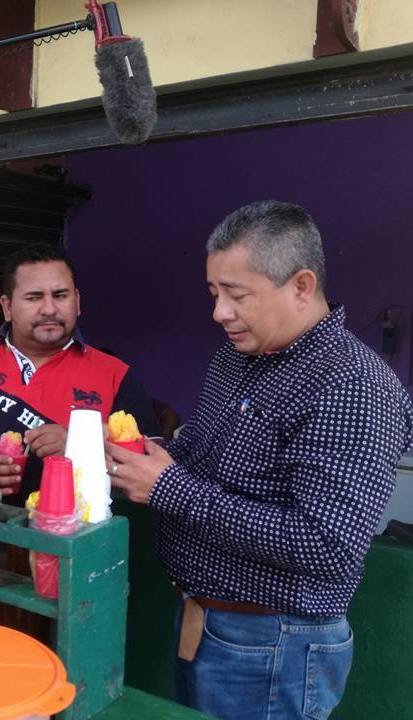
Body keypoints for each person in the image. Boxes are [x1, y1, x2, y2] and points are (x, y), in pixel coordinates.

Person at [107, 200, 413, 720]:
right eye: (214, 292)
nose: (219, 312)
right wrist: (147, 456)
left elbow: (327, 545)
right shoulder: (236, 356)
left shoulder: (353, 386)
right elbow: (200, 446)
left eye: (237, 294)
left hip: (275, 644)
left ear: (301, 286)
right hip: (202, 618)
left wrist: (168, 489)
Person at [0, 242, 160, 504]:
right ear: (7, 307)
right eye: (34, 297)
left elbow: (151, 471)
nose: (49, 309)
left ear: (77, 301)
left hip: (78, 529)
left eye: (60, 295)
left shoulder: (116, 376)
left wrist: (78, 445)